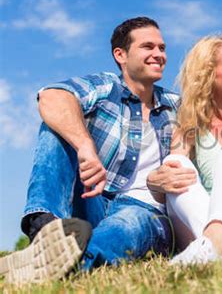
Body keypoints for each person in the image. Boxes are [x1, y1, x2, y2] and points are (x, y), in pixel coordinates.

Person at [0, 17, 179, 284]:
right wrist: (85, 145)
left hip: (144, 210)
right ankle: (45, 230)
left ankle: (63, 263)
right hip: (92, 200)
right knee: (55, 127)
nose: (159, 55)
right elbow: (51, 96)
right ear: (121, 54)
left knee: (129, 222)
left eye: (162, 48)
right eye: (148, 47)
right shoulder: (107, 87)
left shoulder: (176, 106)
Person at [147, 35, 222, 264]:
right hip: (203, 215)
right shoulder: (190, 123)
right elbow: (168, 182)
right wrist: (153, 182)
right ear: (208, 74)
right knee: (177, 164)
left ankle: (212, 246)